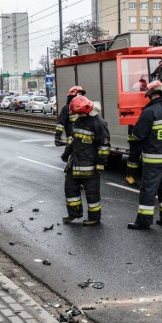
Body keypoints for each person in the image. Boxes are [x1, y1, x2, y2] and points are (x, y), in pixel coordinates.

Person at [127, 81, 162, 230]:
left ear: (150, 94)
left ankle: (143, 220)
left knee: (148, 190)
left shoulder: (149, 112)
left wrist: (132, 132)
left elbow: (138, 135)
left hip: (153, 159)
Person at [61, 96, 110, 226]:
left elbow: (104, 146)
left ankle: (94, 217)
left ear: (85, 110)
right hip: (75, 163)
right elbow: (73, 140)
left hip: (90, 166)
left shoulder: (98, 123)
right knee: (70, 189)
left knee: (92, 194)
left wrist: (100, 163)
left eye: (79, 113)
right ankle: (74, 213)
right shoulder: (79, 121)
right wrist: (66, 154)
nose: (78, 115)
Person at [125, 79, 148, 186]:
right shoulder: (133, 102)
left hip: (143, 135)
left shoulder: (147, 102)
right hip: (134, 135)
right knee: (133, 158)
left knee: (143, 157)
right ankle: (130, 176)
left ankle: (142, 178)